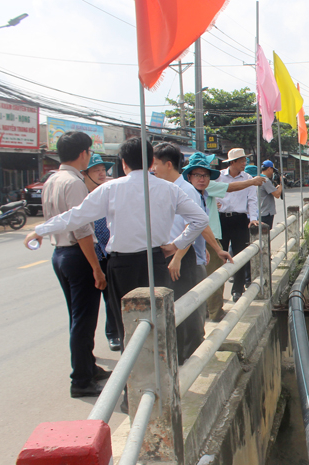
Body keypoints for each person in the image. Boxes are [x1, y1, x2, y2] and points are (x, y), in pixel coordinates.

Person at [25, 138, 209, 366]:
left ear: (123, 163)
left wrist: (40, 230)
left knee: (127, 327)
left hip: (122, 267)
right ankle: (162, 379)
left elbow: (76, 216)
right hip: (156, 261)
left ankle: (131, 390)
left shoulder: (111, 189)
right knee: (158, 321)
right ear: (151, 161)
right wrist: (176, 244)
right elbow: (200, 219)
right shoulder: (169, 189)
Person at [29, 131, 108, 398]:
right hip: (77, 255)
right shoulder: (74, 183)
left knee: (78, 318)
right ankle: (81, 380)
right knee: (84, 320)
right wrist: (96, 267)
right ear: (84, 153)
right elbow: (82, 229)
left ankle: (88, 366)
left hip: (60, 254)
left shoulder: (52, 179)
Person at [81, 154, 121, 352]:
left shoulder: (111, 192)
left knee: (112, 298)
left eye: (103, 170)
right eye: (96, 170)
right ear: (85, 174)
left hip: (110, 253)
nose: (101, 173)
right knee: (89, 306)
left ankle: (113, 333)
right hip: (90, 255)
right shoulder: (81, 196)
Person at [216, 148, 260, 303]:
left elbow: (252, 200)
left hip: (240, 220)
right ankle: (216, 293)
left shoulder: (248, 178)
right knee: (219, 256)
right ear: (232, 162)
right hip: (221, 220)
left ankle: (238, 289)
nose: (244, 163)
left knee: (240, 256)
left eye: (245, 160)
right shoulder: (219, 177)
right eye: (241, 160)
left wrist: (253, 218)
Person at [257, 160, 282, 229]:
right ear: (269, 169)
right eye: (272, 170)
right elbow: (277, 195)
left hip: (260, 211)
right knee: (266, 235)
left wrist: (277, 187)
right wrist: (281, 184)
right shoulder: (265, 180)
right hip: (266, 213)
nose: (272, 173)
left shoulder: (259, 178)